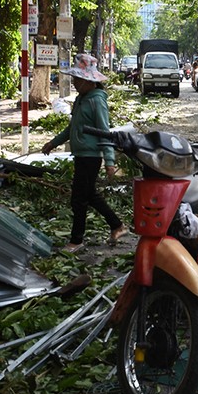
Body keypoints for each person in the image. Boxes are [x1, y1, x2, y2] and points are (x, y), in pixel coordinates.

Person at [41, 53, 128, 253]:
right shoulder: (82, 98)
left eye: (77, 79)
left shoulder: (97, 101)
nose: (75, 82)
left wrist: (110, 161)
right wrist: (53, 143)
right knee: (89, 194)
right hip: (81, 155)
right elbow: (72, 127)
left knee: (78, 199)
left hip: (91, 156)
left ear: (89, 81)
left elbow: (104, 131)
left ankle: (76, 240)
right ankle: (117, 225)